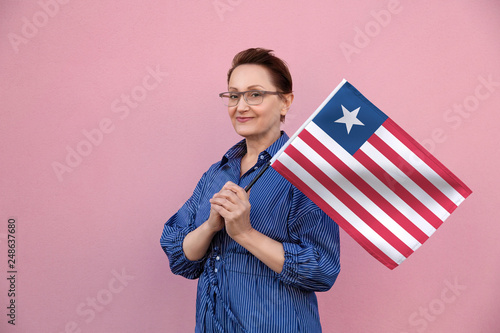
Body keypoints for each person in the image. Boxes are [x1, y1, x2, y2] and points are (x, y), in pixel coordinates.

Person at [160, 48, 341, 333]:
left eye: (255, 94)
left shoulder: (305, 176)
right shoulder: (216, 174)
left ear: (285, 102)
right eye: (233, 96)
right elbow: (180, 257)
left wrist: (244, 233)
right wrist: (209, 227)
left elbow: (321, 270)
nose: (240, 107)